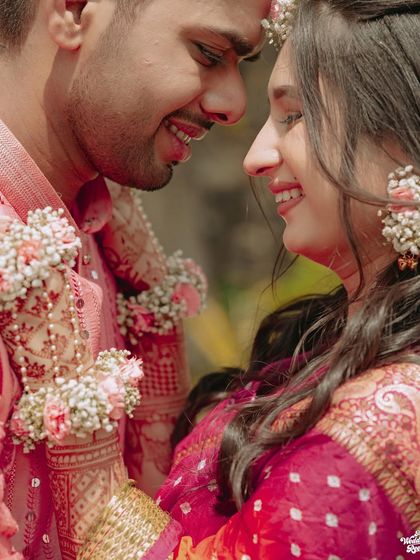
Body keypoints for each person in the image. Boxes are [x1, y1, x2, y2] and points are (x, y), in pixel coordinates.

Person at [76, 0, 419, 558]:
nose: (255, 157)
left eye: (294, 116)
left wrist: (82, 462)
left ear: (405, 141)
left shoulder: (386, 418)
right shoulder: (327, 344)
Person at [0, 0, 270, 558]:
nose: (234, 105)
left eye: (241, 64)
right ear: (72, 11)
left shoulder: (111, 240)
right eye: (207, 52)